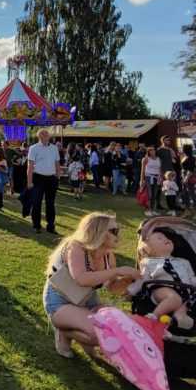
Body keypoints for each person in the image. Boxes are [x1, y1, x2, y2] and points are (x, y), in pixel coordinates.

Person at [42, 212, 138, 358]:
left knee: (114, 326)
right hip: (60, 301)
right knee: (97, 332)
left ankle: (81, 334)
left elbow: (111, 286)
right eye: (114, 231)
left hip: (87, 300)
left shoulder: (108, 255)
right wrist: (117, 271)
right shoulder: (75, 247)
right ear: (98, 231)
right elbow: (82, 279)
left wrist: (129, 281)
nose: (118, 235)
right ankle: (64, 333)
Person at [27, 129, 61, 234]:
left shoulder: (54, 148)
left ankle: (51, 226)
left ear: (49, 136)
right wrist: (29, 181)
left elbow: (57, 163)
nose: (45, 136)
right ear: (39, 136)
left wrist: (57, 177)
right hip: (38, 178)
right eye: (42, 134)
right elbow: (30, 166)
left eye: (46, 134)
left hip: (51, 179)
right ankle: (36, 225)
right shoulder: (33, 148)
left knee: (50, 203)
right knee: (37, 202)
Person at [155, 137, 179, 208]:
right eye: (167, 140)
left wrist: (173, 154)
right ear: (163, 141)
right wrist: (159, 171)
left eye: (169, 140)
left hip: (170, 170)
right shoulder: (159, 150)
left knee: (172, 187)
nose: (169, 141)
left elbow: (174, 160)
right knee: (160, 188)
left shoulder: (170, 149)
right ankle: (158, 204)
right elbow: (157, 160)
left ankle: (173, 204)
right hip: (162, 171)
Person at [139, 147, 162, 217]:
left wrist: (160, 177)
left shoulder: (158, 159)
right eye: (150, 151)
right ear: (148, 152)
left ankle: (152, 209)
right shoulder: (145, 159)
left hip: (156, 177)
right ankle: (147, 210)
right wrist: (141, 180)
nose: (152, 152)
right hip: (148, 177)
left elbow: (160, 169)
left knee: (154, 194)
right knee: (149, 194)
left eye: (153, 150)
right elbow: (142, 170)